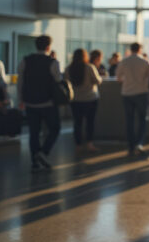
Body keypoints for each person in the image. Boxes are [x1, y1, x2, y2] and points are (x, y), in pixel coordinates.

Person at [17, 35, 62, 172]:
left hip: (30, 103)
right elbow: (58, 81)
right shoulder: (53, 62)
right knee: (55, 128)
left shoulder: (25, 60)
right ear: (48, 47)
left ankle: (35, 162)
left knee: (34, 133)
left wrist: (21, 100)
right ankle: (43, 153)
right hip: (47, 103)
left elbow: (20, 82)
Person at [116, 43, 149, 158]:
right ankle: (139, 143)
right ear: (140, 50)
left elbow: (118, 77)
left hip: (127, 93)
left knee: (129, 121)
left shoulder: (124, 61)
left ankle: (131, 146)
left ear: (130, 49)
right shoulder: (145, 62)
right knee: (143, 120)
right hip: (141, 92)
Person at [65, 48, 103, 153]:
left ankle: (78, 145)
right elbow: (98, 81)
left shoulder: (69, 69)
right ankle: (90, 144)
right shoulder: (89, 67)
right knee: (90, 122)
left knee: (77, 123)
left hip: (75, 100)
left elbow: (66, 82)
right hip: (90, 98)